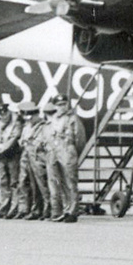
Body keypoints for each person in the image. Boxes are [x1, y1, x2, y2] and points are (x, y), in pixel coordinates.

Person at [43, 93, 86, 223]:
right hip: (53, 151)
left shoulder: (72, 119)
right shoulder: (52, 119)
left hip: (67, 149)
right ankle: (57, 211)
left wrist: (72, 152)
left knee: (70, 181)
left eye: (63, 104)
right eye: (58, 105)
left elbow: (80, 139)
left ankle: (72, 211)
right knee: (54, 181)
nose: (61, 107)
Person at [0, 103, 24, 218]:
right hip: (2, 157)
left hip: (12, 155)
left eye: (5, 113)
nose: (4, 116)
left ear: (8, 112)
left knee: (14, 182)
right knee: (3, 181)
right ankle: (4, 207)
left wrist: (0, 148)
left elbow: (13, 139)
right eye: (1, 115)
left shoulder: (16, 123)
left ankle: (14, 208)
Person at [20, 101, 51, 220]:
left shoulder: (43, 126)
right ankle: (36, 209)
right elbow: (22, 140)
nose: (29, 119)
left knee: (43, 185)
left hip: (39, 158)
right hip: (28, 157)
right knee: (33, 185)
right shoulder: (27, 127)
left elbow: (41, 142)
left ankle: (47, 209)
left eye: (31, 116)